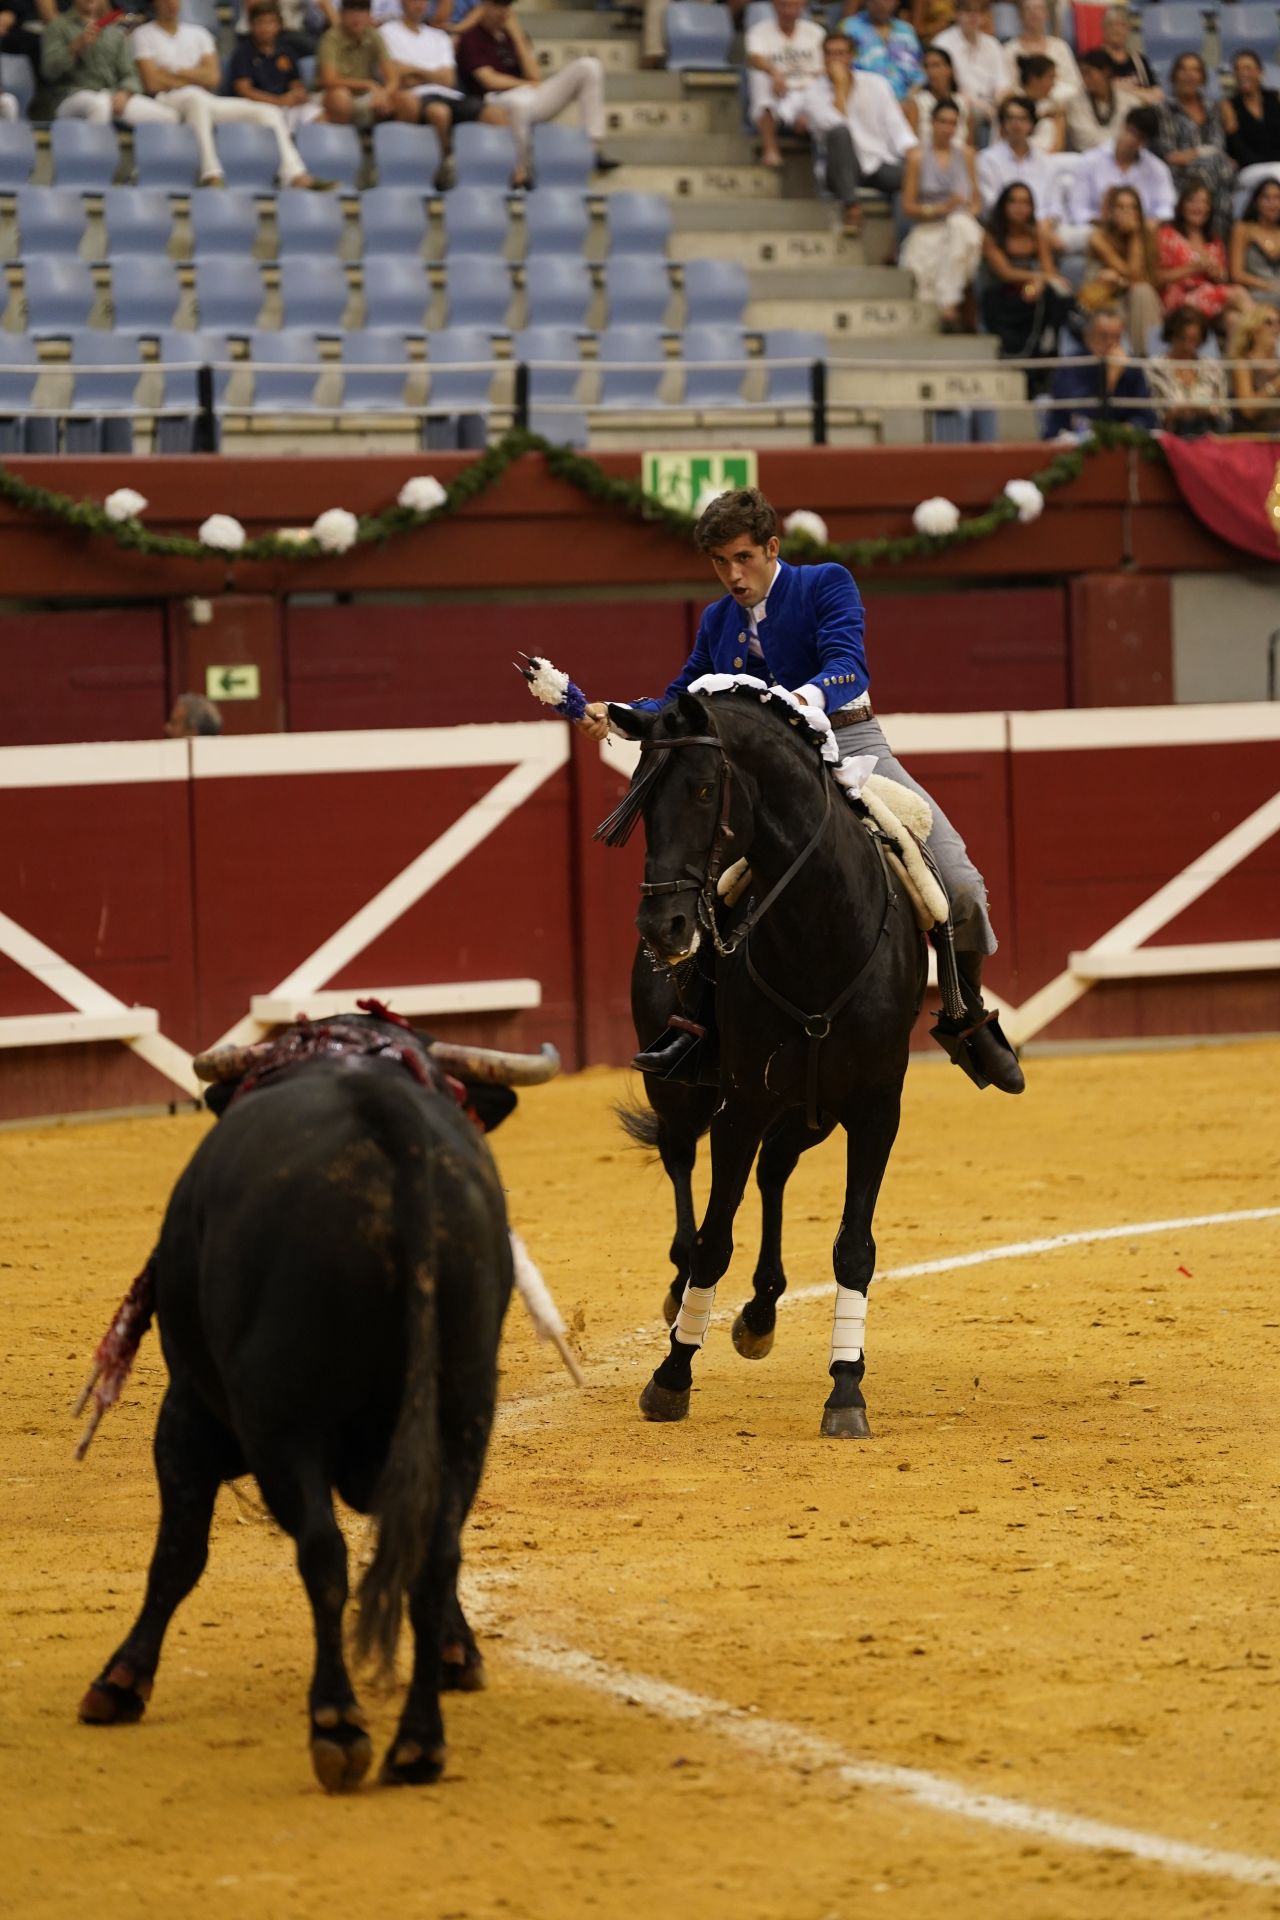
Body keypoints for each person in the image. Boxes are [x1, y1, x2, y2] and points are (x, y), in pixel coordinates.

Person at [578, 488, 1024, 1096]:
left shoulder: (824, 583)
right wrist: (619, 714)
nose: (733, 576)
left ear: (771, 547)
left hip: (853, 743)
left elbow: (848, 665)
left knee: (960, 884)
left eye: (743, 558)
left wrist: (798, 701)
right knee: (704, 887)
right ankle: (697, 1026)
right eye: (719, 562)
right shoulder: (717, 621)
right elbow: (682, 698)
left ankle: (964, 1013)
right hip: (767, 774)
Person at [134, 0, 325, 183]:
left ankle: (294, 174)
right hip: (166, 100)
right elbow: (152, 83)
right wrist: (195, 75)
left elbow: (213, 78)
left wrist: (172, 72)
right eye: (165, 0)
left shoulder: (199, 33)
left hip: (205, 99)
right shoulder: (143, 34)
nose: (171, 4)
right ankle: (211, 174)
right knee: (194, 97)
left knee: (269, 112)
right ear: (154, 3)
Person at [455, 0, 618, 188]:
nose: (502, 12)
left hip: (529, 94)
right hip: (494, 100)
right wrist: (525, 84)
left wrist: (517, 35)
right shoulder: (471, 37)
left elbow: (534, 75)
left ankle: (592, 149)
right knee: (519, 104)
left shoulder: (514, 34)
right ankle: (523, 170)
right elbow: (489, 80)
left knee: (589, 66)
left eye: (506, 6)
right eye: (497, 6)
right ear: (484, 6)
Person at [796, 31, 916, 236]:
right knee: (840, 133)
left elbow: (896, 127)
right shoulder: (812, 93)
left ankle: (901, 242)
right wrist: (840, 87)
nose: (835, 59)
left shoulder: (877, 84)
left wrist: (914, 153)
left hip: (876, 161)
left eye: (840, 53)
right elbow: (836, 123)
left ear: (851, 56)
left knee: (914, 176)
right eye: (829, 54)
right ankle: (852, 208)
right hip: (838, 168)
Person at [379, 0, 506, 179]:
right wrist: (432, 74)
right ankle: (447, 163)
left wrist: (415, 71)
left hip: (449, 94)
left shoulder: (439, 36)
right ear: (403, 3)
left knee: (495, 114)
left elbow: (449, 79)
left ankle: (509, 170)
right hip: (416, 95)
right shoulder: (386, 32)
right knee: (439, 112)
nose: (419, 5)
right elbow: (397, 75)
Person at [900, 94, 982, 327]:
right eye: (943, 122)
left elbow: (976, 201)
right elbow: (908, 206)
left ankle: (949, 304)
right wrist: (940, 209)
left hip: (961, 225)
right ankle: (949, 303)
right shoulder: (916, 157)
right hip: (929, 227)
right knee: (927, 288)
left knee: (961, 226)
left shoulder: (967, 155)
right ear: (932, 123)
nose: (947, 128)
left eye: (953, 123)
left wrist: (964, 212)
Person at [41, 0, 185, 130]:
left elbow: (130, 74)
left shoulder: (113, 32)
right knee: (99, 104)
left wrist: (124, 93)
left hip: (111, 95)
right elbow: (49, 71)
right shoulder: (58, 26)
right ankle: (97, 152)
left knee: (169, 117)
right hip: (69, 97)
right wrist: (74, 48)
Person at [980, 178, 1073, 358]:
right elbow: (1006, 273)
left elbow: (1049, 271)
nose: (1019, 208)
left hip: (1032, 292)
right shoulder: (992, 236)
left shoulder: (1036, 233)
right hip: (1003, 296)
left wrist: (1038, 283)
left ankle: (1050, 347)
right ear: (1004, 205)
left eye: (1025, 203)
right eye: (1014, 202)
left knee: (1057, 295)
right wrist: (1037, 279)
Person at [1153, 51, 1237, 236]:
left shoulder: (1211, 107)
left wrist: (1196, 153)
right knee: (1221, 171)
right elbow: (1171, 155)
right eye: (1183, 70)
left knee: (1223, 172)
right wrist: (1205, 153)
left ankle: (1214, 240)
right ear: (1174, 76)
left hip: (1214, 170)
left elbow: (1218, 145)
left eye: (1195, 70)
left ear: (1202, 77)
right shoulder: (1164, 109)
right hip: (1179, 174)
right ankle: (1211, 240)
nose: (1189, 75)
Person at [1045, 305, 1154, 436]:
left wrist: (1130, 426)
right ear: (1088, 337)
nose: (1110, 343)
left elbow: (1148, 417)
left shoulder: (1132, 367)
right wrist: (1110, 381)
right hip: (1070, 439)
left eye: (1116, 337)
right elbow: (1082, 416)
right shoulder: (1071, 366)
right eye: (1103, 337)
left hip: (1122, 439)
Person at [744, 0, 826, 171]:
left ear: (803, 7)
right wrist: (774, 72)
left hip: (809, 91)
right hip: (779, 92)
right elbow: (754, 58)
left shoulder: (815, 32)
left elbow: (823, 69)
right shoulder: (759, 31)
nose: (789, 11)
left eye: (794, 6)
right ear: (774, 6)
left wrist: (808, 99)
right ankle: (770, 150)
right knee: (759, 76)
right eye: (784, 5)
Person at [1156, 179, 1249, 325]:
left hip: (1212, 299)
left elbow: (1223, 279)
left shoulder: (1214, 241)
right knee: (1238, 293)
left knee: (1234, 320)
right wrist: (1193, 268)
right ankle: (1267, 328)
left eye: (1204, 202)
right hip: (1180, 300)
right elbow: (1156, 277)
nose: (1198, 207)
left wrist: (1217, 274)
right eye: (1192, 201)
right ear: (1182, 205)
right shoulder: (1166, 235)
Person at [1079, 183, 1161, 348]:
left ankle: (1149, 358)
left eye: (1132, 207)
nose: (1127, 212)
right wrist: (1122, 281)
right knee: (1140, 292)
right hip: (1103, 302)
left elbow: (1144, 280)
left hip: (1135, 300)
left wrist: (1135, 235)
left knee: (1143, 292)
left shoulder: (1145, 238)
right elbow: (1131, 274)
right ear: (1111, 211)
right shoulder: (1098, 238)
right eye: (1121, 207)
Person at [1066, 105, 1175, 229]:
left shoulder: (1157, 168)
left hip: (1141, 230)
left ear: (1146, 142)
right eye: (1131, 132)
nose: (1132, 140)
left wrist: (1148, 224)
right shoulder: (1089, 161)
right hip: (1099, 229)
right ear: (1123, 125)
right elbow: (1078, 210)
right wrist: (1107, 224)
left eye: (1140, 138)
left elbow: (1166, 208)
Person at [226, 1, 323, 131]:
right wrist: (277, 101)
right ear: (251, 25)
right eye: (260, 23)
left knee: (316, 114)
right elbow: (244, 90)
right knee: (272, 117)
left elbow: (295, 83)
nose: (266, 28)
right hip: (257, 108)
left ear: (279, 25)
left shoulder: (286, 51)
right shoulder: (243, 53)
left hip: (285, 107)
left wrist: (296, 95)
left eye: (271, 23)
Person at [315, 0, 407, 126]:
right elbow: (329, 80)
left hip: (365, 96)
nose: (356, 17)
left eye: (362, 11)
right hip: (331, 95)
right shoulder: (331, 38)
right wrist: (367, 84)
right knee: (340, 97)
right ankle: (343, 136)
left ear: (369, 15)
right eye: (351, 11)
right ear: (342, 14)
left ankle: (393, 137)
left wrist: (383, 94)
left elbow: (393, 78)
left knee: (405, 100)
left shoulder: (374, 35)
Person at [1146, 304, 1229, 435]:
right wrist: (1175, 414)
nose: (1187, 346)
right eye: (1182, 338)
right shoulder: (1154, 368)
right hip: (1171, 433)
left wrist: (1208, 410)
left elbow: (1224, 412)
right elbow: (1152, 416)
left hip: (1209, 432)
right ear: (1171, 335)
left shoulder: (1212, 368)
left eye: (1194, 340)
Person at [976, 90, 1055, 214]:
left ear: (1032, 124)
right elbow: (990, 202)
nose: (1016, 124)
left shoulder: (1044, 161)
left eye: (1022, 118)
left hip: (1040, 221)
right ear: (1003, 123)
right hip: (1003, 222)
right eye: (1010, 118)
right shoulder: (987, 159)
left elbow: (1054, 203)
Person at [934, 0, 1004, 138]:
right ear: (957, 14)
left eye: (977, 11)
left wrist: (998, 106)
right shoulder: (943, 43)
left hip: (992, 107)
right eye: (967, 11)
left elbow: (1003, 84)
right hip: (959, 103)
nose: (973, 16)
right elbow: (946, 87)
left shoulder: (993, 44)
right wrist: (980, 106)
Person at [1000, 0, 1080, 110]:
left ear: (1046, 14)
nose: (1033, 13)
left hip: (1061, 105)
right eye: (1028, 9)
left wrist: (1049, 98)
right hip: (1024, 109)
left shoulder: (1060, 46)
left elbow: (1074, 84)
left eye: (1038, 8)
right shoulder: (1009, 50)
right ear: (1020, 15)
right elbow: (1009, 88)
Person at [840, 0, 923, 104]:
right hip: (863, 99)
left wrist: (908, 99)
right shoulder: (849, 27)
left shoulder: (906, 30)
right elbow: (840, 67)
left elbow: (918, 73)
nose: (882, 4)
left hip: (905, 100)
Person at [1221, 48, 1280, 184]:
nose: (1242, 74)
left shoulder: (1276, 98)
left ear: (1260, 72)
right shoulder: (1229, 105)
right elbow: (1236, 147)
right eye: (1237, 69)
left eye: (1248, 68)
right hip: (1250, 169)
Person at [1066, 46, 1135, 154]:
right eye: (1082, 74)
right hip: (1089, 158)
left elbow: (1133, 136)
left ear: (1106, 72)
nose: (1084, 79)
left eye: (1088, 73)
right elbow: (1083, 139)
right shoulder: (1075, 103)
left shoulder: (1129, 102)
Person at [905, 43, 974, 146]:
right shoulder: (916, 104)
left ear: (949, 69)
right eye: (927, 67)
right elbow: (910, 145)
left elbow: (970, 146)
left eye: (936, 65)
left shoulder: (964, 104)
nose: (931, 71)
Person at [1227, 302, 1280, 431]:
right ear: (1253, 329)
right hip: (1253, 436)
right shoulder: (1242, 364)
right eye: (1268, 322)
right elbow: (1249, 410)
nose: (1276, 328)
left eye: (1279, 322)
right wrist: (1276, 384)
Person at [1229, 178, 1280, 310]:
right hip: (1255, 293)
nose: (1272, 203)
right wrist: (1267, 285)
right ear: (1256, 201)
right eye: (1266, 198)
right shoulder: (1242, 229)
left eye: (1277, 198)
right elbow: (1236, 274)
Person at [1096, 3, 1158, 103]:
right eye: (1111, 24)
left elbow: (1157, 94)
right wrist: (1140, 93)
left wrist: (1123, 90)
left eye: (1122, 25)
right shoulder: (1093, 61)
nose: (1116, 29)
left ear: (1128, 30)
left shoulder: (1139, 61)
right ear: (1103, 29)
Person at [1017, 51, 1064, 153]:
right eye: (1050, 77)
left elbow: (1058, 146)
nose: (1053, 84)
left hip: (1048, 157)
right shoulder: (1013, 102)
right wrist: (1041, 117)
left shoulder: (1052, 106)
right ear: (1033, 78)